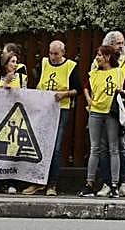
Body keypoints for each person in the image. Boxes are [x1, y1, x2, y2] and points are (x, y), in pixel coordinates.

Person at [23, 40, 81, 197]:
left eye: (56, 54)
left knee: (55, 148)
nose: (53, 57)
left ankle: (52, 184)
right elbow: (35, 82)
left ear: (63, 53)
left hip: (61, 110)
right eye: (50, 53)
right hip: (43, 109)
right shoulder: (43, 64)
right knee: (38, 145)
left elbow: (78, 89)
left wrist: (65, 94)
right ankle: (36, 182)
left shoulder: (70, 66)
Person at [80, 45, 125, 197]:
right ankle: (89, 183)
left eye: (100, 55)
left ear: (107, 57)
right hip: (96, 111)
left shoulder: (119, 72)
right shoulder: (94, 73)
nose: (97, 58)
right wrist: (88, 99)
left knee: (114, 148)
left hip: (111, 112)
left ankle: (114, 184)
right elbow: (85, 86)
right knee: (95, 148)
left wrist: (122, 93)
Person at [0, 49, 29, 194]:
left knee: (13, 151)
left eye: (16, 62)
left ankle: (12, 183)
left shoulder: (21, 78)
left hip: (14, 119)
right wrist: (5, 84)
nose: (15, 65)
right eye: (12, 62)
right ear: (5, 63)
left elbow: (26, 96)